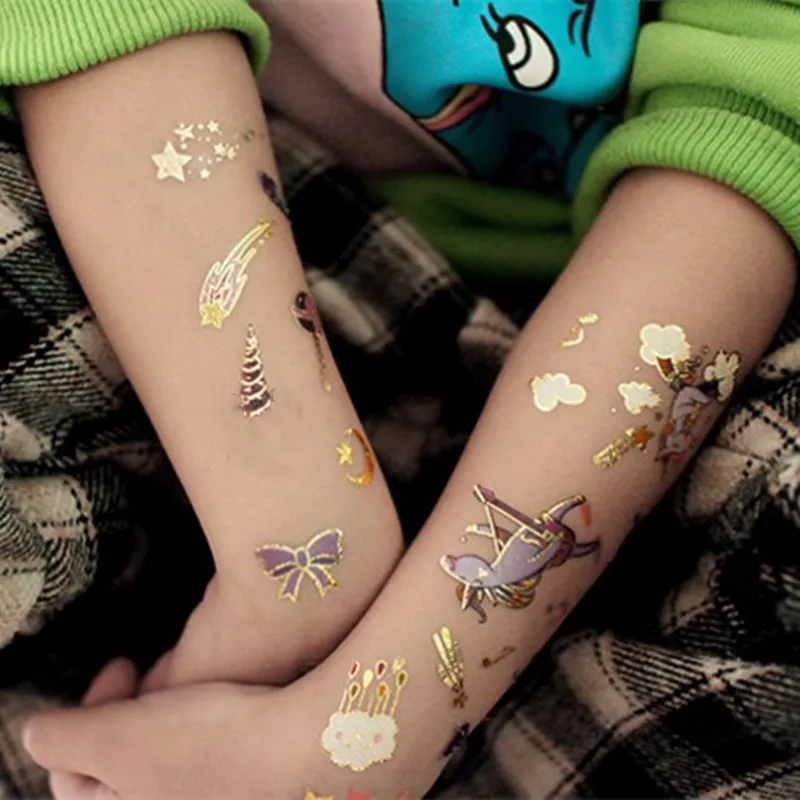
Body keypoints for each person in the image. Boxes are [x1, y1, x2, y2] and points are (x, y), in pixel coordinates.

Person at [3, 0, 798, 797]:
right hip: (204, 257)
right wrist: (295, 540)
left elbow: (757, 119)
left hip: (661, 336)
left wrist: (384, 717)